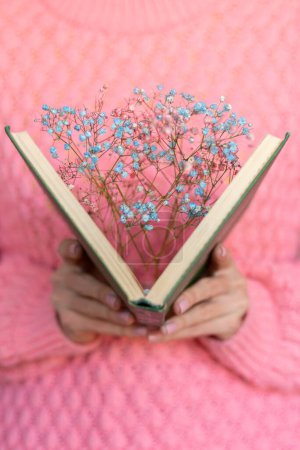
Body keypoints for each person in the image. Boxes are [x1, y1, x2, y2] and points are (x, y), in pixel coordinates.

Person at [0, 1, 299, 449]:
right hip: (50, 428)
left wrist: (256, 317)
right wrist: (41, 310)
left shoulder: (284, 22)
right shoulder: (12, 26)